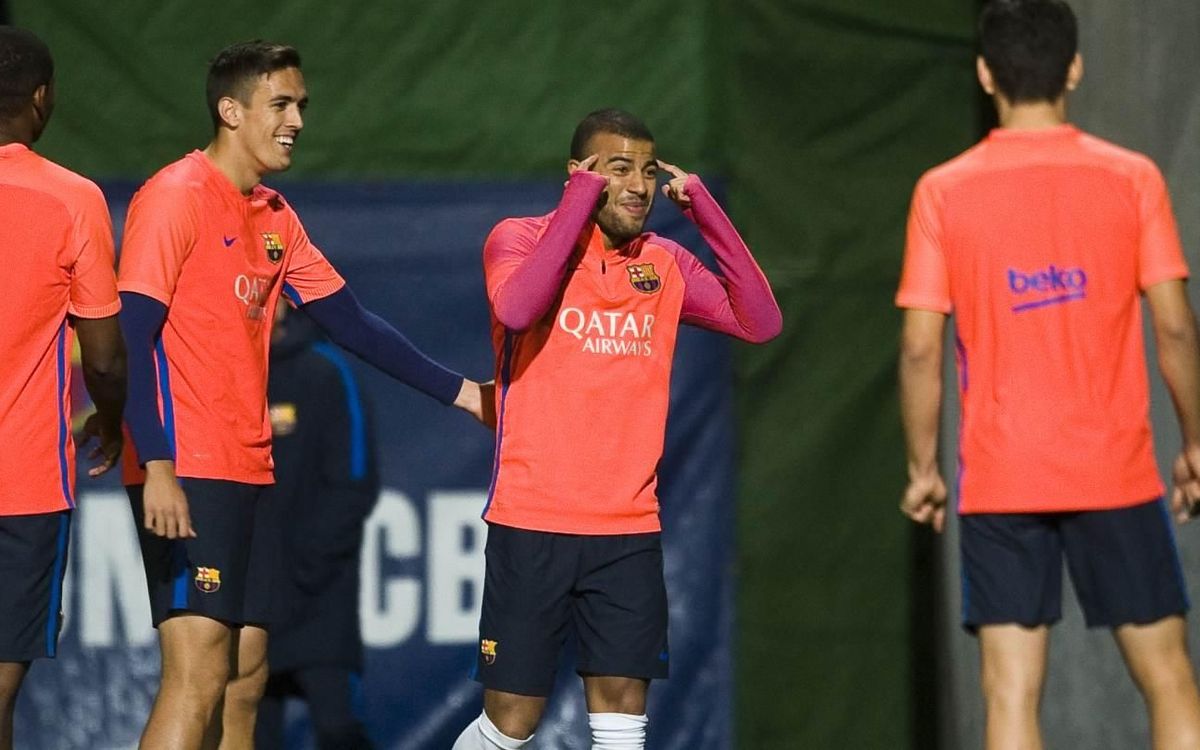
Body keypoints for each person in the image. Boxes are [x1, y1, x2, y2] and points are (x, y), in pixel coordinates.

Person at [117, 41, 488, 749]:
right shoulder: (174, 196)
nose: (297, 121)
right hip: (188, 467)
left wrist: (464, 393)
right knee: (196, 674)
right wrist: (156, 461)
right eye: (281, 104)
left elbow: (353, 323)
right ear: (231, 111)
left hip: (251, 467)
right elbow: (131, 335)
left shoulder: (275, 216)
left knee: (247, 673)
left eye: (302, 106)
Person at [897, 2, 1200, 748]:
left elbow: (920, 349)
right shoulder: (1133, 179)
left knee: (1009, 695)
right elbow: (1173, 325)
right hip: (1115, 472)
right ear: (1074, 69)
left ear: (984, 74)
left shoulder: (942, 190)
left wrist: (923, 469)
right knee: (1168, 679)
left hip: (1001, 479)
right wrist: (1196, 443)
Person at [451, 109, 781, 750]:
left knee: (622, 717)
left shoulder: (664, 262)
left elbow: (759, 321)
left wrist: (704, 209)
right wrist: (581, 197)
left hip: (627, 530)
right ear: (578, 174)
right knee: (513, 720)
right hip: (533, 521)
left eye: (649, 171)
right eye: (619, 169)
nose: (638, 185)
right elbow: (517, 308)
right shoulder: (517, 238)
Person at [0, 25, 126, 750]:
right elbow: (102, 358)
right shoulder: (72, 199)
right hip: (21, 485)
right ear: (42, 98)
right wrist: (110, 419)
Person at [254, 306, 377, 750]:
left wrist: (309, 564)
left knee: (338, 728)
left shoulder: (326, 371)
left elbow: (355, 479)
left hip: (320, 595)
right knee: (252, 736)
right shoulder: (231, 372)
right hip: (252, 596)